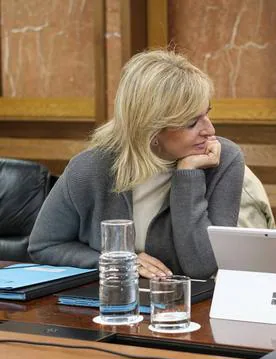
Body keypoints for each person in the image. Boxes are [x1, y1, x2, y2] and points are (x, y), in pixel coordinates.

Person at [28, 50, 245, 279]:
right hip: (109, 304)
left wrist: (187, 176)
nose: (210, 130)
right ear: (151, 129)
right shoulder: (90, 168)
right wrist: (117, 263)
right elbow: (44, 246)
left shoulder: (224, 160)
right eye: (192, 123)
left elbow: (203, 266)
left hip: (183, 304)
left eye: (207, 114)